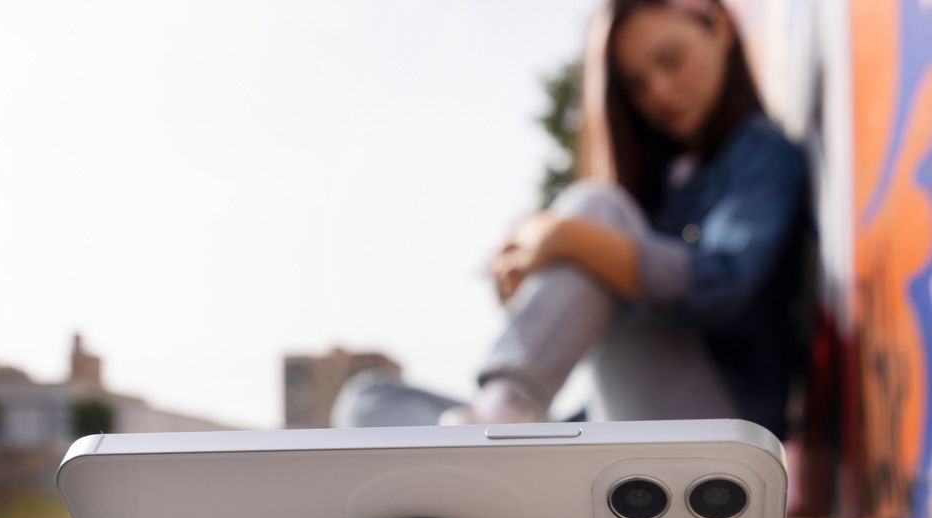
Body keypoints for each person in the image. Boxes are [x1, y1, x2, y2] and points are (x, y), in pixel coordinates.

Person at [330, 0, 814, 442]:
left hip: (720, 430)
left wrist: (568, 239)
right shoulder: (665, 182)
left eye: (671, 60)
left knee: (596, 206)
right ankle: (497, 443)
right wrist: (549, 288)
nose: (659, 91)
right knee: (367, 401)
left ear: (719, 27)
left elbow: (719, 286)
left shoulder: (763, 154)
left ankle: (501, 415)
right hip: (621, 419)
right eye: (636, 86)